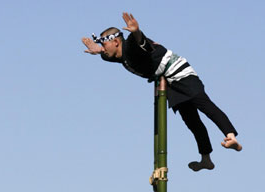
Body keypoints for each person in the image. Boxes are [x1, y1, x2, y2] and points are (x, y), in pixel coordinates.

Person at [82, 12, 242, 172]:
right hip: (169, 83)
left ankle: (231, 136)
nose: (104, 49)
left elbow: (142, 44)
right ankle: (206, 159)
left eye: (104, 45)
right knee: (192, 121)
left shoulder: (131, 44)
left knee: (205, 105)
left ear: (116, 42)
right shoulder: (118, 55)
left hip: (180, 73)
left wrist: (136, 32)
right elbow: (107, 55)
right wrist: (98, 50)